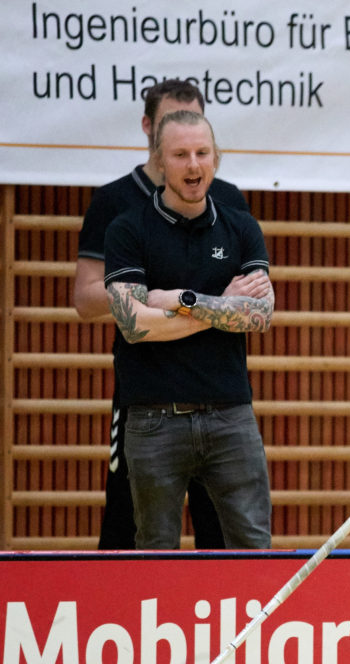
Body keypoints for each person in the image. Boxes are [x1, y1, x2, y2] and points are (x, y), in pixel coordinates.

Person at [76, 78, 252, 550]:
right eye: (172, 128)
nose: (188, 148)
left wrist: (175, 301)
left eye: (196, 132)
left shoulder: (230, 202)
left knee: (228, 538)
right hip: (148, 398)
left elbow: (252, 305)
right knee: (135, 533)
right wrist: (201, 305)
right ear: (151, 132)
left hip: (220, 399)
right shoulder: (117, 203)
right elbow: (86, 298)